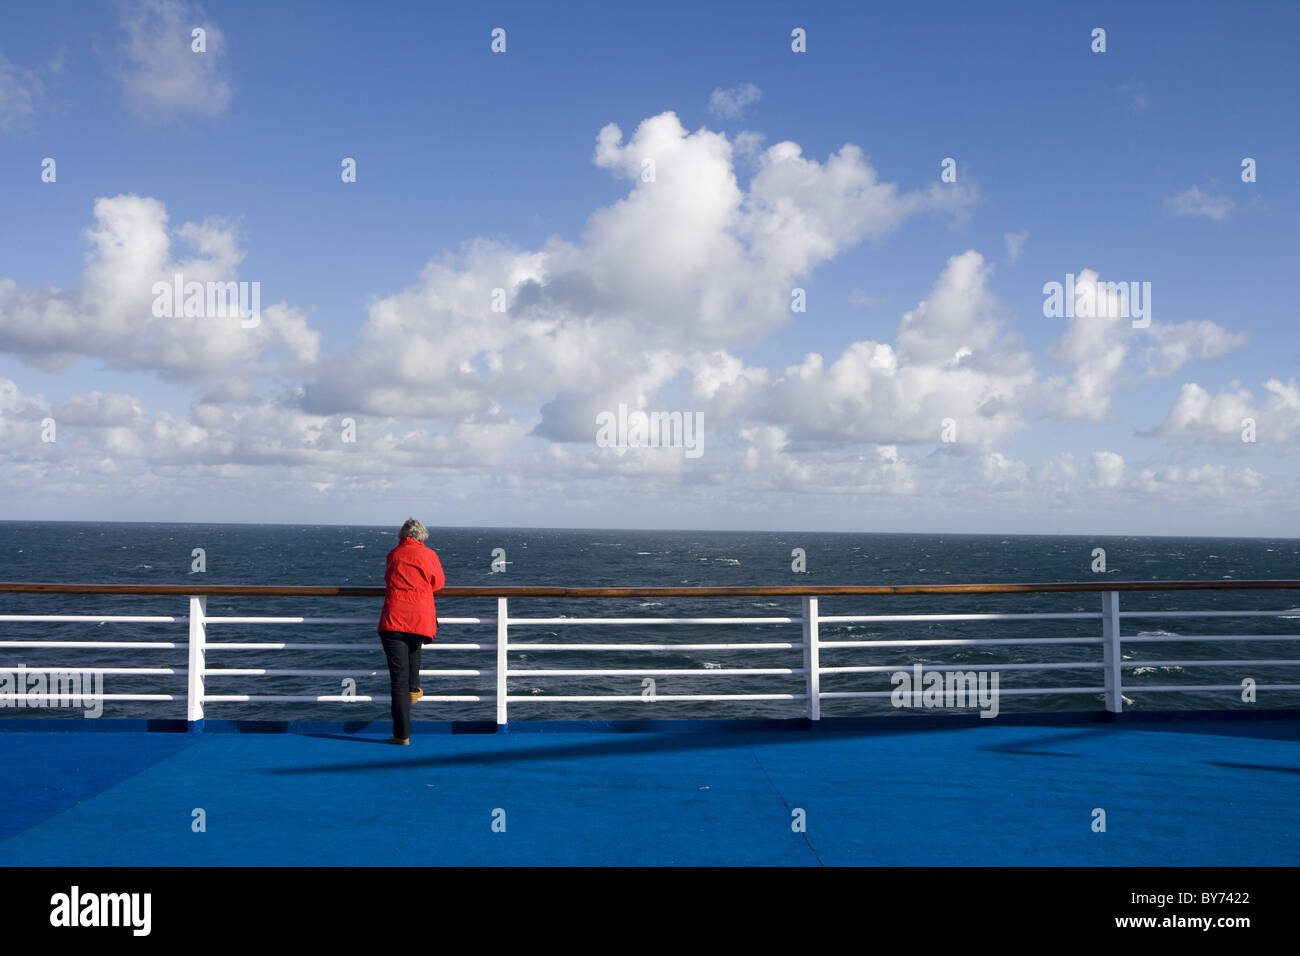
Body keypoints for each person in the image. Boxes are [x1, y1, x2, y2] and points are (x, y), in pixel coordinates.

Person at [377, 518, 446, 744]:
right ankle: (414, 688)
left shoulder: (394, 554)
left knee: (397, 680)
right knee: (414, 645)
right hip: (419, 619)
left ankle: (401, 734)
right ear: (422, 536)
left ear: (402, 535)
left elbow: (388, 579)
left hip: (394, 618)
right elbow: (438, 583)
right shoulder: (430, 555)